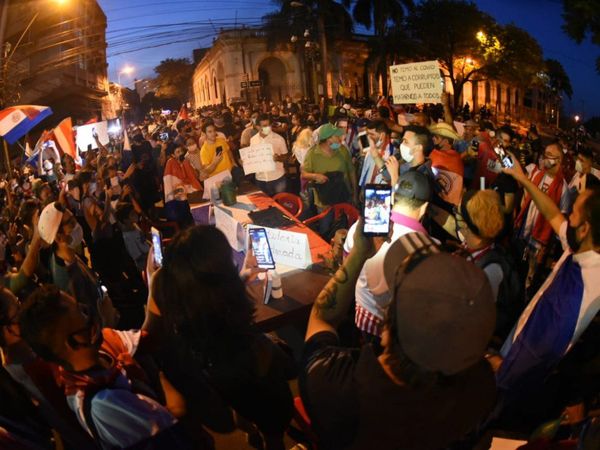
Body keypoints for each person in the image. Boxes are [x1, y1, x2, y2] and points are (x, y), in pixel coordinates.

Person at [300, 223, 497, 449]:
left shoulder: (333, 384)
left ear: (386, 329)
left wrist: (359, 254)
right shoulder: (479, 390)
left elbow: (322, 317)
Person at [151, 226, 296, 450]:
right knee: (274, 427)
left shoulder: (182, 301)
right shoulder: (250, 345)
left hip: (222, 382)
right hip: (252, 378)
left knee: (244, 408)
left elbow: (209, 298)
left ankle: (251, 434)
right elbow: (282, 366)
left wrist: (245, 274)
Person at [491, 156, 600, 429]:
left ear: (585, 228)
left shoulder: (588, 285)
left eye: (573, 212)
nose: (567, 216)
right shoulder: (579, 248)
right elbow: (551, 213)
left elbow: (543, 347)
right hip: (514, 351)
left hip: (521, 382)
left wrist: (505, 371)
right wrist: (523, 179)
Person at [343, 171, 431, 340]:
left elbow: (347, 264)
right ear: (424, 208)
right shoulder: (426, 246)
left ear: (392, 198)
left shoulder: (360, 228)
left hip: (364, 315)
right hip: (395, 330)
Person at [514, 142, 569, 290]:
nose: (545, 158)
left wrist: (549, 249)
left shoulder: (563, 188)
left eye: (549, 156)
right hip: (524, 232)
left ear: (559, 160)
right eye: (545, 155)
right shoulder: (537, 174)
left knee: (530, 278)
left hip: (539, 243)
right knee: (517, 268)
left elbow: (560, 219)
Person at [302, 124, 357, 233]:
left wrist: (355, 193)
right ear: (329, 139)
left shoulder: (342, 151)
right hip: (324, 202)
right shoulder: (312, 154)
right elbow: (303, 174)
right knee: (325, 228)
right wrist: (315, 176)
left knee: (343, 228)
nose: (341, 139)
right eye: (337, 136)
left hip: (343, 197)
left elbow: (351, 172)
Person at [163, 144, 202, 228]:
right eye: (177, 152)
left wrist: (187, 163)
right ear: (173, 155)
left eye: (181, 151)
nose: (180, 153)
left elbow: (194, 176)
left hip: (187, 190)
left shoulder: (185, 161)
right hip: (176, 193)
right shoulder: (171, 162)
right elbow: (171, 179)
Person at [250, 114, 289, 196]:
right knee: (265, 205)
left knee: (280, 204)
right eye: (264, 126)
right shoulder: (253, 140)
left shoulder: (279, 139)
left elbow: (286, 157)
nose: (267, 128)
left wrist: (278, 158)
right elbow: (252, 157)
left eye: (269, 125)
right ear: (257, 127)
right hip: (260, 178)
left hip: (277, 178)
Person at [429, 122, 464, 206]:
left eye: (436, 137)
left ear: (446, 141)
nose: (433, 139)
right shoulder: (456, 156)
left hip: (444, 204)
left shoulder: (435, 155)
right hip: (448, 204)